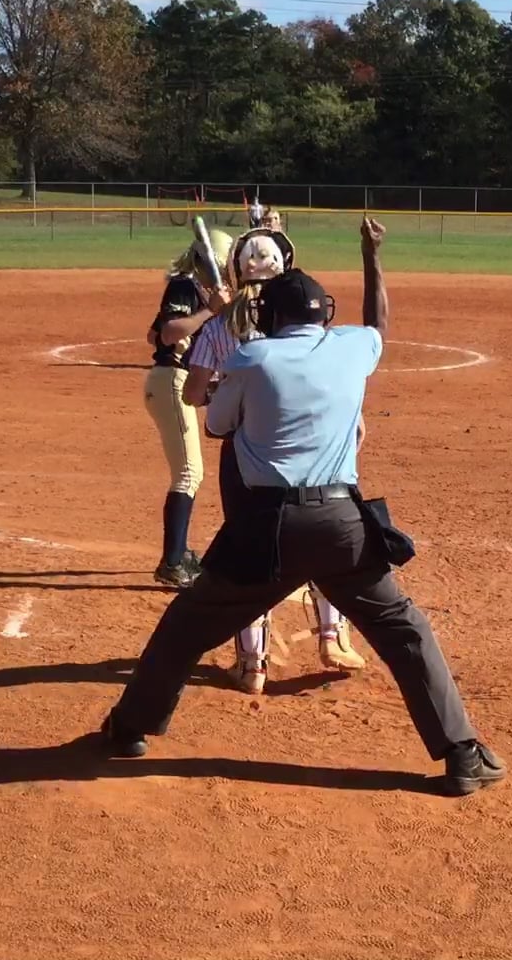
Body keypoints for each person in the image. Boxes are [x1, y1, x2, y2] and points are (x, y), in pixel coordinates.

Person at [102, 217, 506, 797]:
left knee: (186, 627)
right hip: (343, 527)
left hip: (266, 530)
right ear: (323, 315)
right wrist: (372, 257)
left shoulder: (253, 358)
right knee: (404, 631)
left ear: (270, 316)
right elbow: (378, 323)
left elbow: (216, 425)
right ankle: (463, 753)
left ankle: (129, 728)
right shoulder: (354, 346)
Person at [183, 219, 366, 692]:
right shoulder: (300, 320)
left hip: (245, 457)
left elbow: (194, 395)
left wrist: (233, 392)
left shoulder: (221, 325)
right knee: (324, 537)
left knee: (252, 553)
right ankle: (332, 636)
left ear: (237, 268)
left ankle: (253, 664)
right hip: (315, 443)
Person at [143, 231, 228, 587]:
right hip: (171, 382)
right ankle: (172, 563)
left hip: (173, 382)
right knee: (189, 474)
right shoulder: (184, 286)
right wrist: (209, 310)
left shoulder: (197, 290)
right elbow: (166, 334)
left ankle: (178, 554)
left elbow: (152, 334)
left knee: (191, 472)